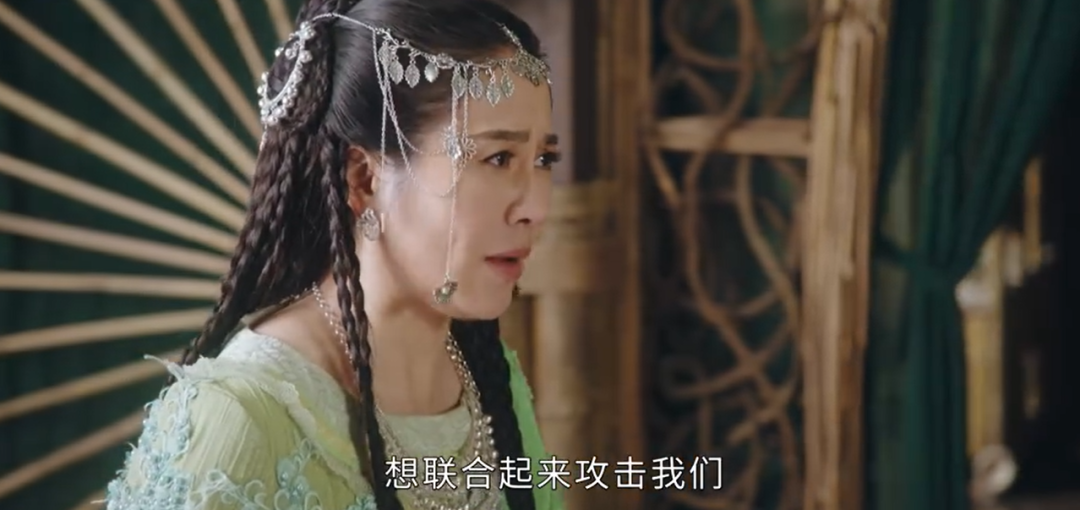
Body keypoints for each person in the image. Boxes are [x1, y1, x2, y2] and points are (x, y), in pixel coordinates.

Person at [102, 0, 563, 509]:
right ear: (363, 178)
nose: (536, 208)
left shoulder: (492, 378)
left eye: (544, 158)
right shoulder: (240, 417)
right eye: (498, 158)